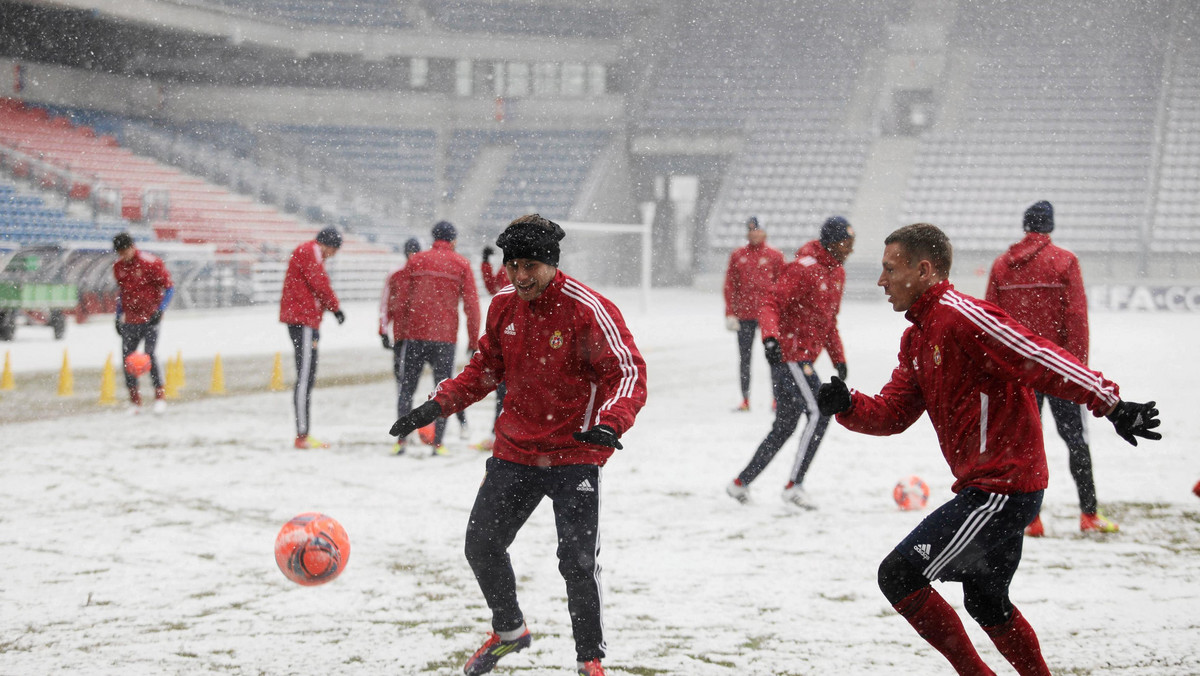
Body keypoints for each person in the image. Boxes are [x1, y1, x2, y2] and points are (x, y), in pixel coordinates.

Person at [816, 223, 1160, 676]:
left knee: (898, 575)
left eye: (889, 269)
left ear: (923, 269)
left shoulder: (963, 316)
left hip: (1003, 488)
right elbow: (894, 413)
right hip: (995, 488)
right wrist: (848, 404)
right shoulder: (917, 336)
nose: (881, 281)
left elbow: (1039, 355)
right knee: (986, 600)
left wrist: (1111, 404)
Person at [388, 214, 647, 676]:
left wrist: (611, 424)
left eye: (531, 265)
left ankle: (590, 660)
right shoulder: (504, 305)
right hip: (516, 452)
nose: (521, 276)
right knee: (481, 546)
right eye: (513, 266)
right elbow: (485, 368)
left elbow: (627, 372)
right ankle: (510, 632)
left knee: (577, 563)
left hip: (575, 453)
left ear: (551, 263)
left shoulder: (588, 308)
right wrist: (438, 404)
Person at [986, 200, 1117, 536]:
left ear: (1025, 226)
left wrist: (999, 370)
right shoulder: (1064, 262)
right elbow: (1076, 320)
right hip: (1058, 370)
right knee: (1076, 442)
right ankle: (1088, 514)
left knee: (1026, 447)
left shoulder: (1001, 265)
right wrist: (1079, 372)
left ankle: (1030, 519)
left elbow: (991, 324)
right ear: (1050, 227)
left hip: (1018, 373)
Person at [726, 216, 854, 509]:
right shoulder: (802, 269)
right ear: (833, 243)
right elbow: (771, 302)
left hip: (804, 356)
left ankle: (740, 484)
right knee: (821, 412)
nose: (851, 250)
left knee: (784, 425)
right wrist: (770, 338)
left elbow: (828, 320)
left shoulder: (837, 275)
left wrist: (839, 357)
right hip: (790, 355)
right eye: (847, 244)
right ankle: (794, 486)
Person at [382, 220, 480, 456]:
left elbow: (401, 301)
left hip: (415, 335)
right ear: (453, 240)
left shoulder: (416, 261)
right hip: (444, 338)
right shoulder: (462, 264)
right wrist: (473, 340)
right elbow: (471, 305)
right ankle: (438, 443)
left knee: (406, 389)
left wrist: (400, 337)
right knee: (443, 392)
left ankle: (401, 441)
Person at [279, 226, 345, 449]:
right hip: (303, 320)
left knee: (307, 375)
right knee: (305, 376)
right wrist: (335, 308)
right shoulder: (310, 251)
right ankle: (302, 435)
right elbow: (319, 283)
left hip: (306, 320)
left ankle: (303, 433)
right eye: (334, 250)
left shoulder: (307, 252)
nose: (332, 256)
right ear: (328, 245)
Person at [723, 215, 785, 411]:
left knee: (774, 356)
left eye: (757, 230)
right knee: (745, 358)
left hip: (769, 315)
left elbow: (783, 286)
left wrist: (781, 312)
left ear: (764, 232)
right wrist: (730, 312)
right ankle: (745, 399)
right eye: (751, 230)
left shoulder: (775, 256)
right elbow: (730, 285)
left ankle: (776, 399)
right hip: (744, 314)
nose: (754, 233)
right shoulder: (738, 255)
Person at [112, 232, 173, 414]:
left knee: (149, 355)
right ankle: (135, 402)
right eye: (120, 253)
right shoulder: (118, 267)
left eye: (125, 252)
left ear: (132, 247)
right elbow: (122, 294)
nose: (123, 256)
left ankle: (160, 398)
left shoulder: (151, 262)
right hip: (131, 319)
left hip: (150, 318)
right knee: (127, 359)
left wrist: (160, 310)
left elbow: (169, 288)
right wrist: (117, 316)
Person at [473, 243, 511, 451]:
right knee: (502, 392)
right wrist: (486, 264)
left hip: (515, 340)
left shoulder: (525, 270)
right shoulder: (507, 269)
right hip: (504, 339)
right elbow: (493, 288)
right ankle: (497, 434)